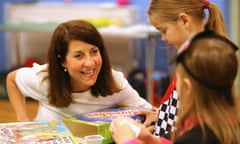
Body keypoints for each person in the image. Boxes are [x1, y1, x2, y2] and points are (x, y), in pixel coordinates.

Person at [6, 19, 152, 121]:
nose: (89, 63)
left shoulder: (114, 82)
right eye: (78, 56)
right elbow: (12, 79)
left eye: (94, 51)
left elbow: (149, 111)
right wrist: (22, 119)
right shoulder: (44, 80)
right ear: (62, 61)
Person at [110, 30, 240, 144]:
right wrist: (154, 141)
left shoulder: (197, 137)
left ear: (187, 88)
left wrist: (127, 140)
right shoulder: (226, 126)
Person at [137, 0, 229, 138]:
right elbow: (180, 107)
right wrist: (160, 114)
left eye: (164, 30)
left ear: (184, 21)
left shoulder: (198, 63)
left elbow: (192, 123)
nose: (163, 38)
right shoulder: (193, 55)